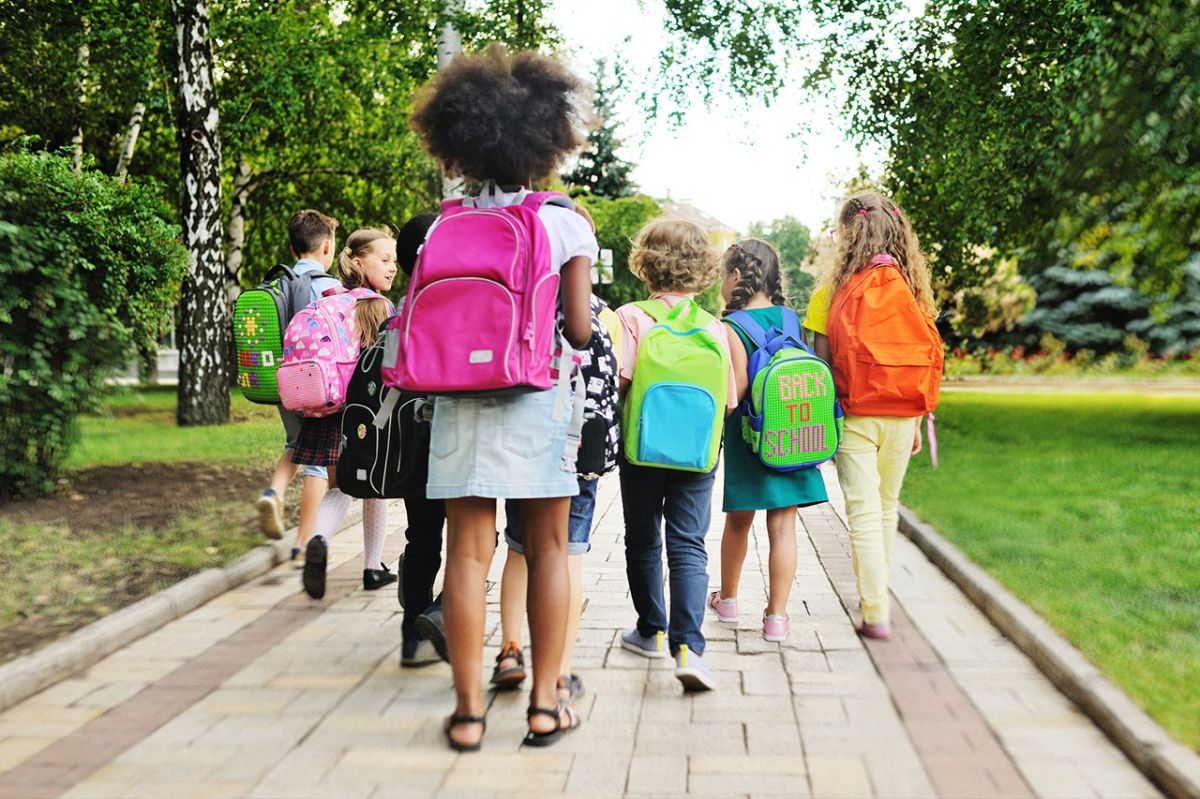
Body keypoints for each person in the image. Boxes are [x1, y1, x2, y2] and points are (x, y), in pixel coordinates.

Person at [408, 45, 596, 751]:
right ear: (546, 141)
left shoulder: (443, 223)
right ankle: (546, 705)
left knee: (467, 552)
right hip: (535, 395)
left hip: (458, 398)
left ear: (462, 143)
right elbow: (578, 330)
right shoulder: (563, 221)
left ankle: (466, 712)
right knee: (547, 548)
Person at [803, 191, 938, 641]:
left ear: (845, 236)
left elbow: (820, 367)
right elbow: (918, 356)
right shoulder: (913, 290)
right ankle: (875, 597)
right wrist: (916, 419)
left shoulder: (830, 294)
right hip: (903, 415)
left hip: (854, 415)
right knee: (886, 506)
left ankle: (875, 609)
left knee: (862, 511)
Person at [614, 218, 739, 691]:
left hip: (641, 451)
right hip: (696, 457)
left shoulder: (631, 318)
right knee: (688, 545)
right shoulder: (714, 329)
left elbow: (620, 384)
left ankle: (650, 629)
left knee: (643, 539)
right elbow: (727, 401)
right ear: (701, 269)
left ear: (646, 266)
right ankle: (689, 647)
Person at [493, 290, 621, 703]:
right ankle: (561, 672)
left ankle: (510, 651)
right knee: (568, 556)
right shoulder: (602, 313)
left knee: (518, 550)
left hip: (526, 445)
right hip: (582, 448)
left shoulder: (523, 302)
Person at [708, 239, 829, 643]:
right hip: (794, 431)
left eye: (724, 276)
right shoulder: (790, 319)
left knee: (738, 522)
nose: (721, 284)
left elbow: (738, 389)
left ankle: (728, 600)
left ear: (737, 277)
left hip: (751, 434)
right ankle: (776, 617)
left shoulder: (731, 327)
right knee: (783, 527)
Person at [297, 228, 399, 599]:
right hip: (365, 414)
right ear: (358, 261)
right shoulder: (377, 306)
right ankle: (373, 567)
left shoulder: (328, 300)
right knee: (375, 487)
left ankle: (318, 539)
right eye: (384, 260)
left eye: (394, 262)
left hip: (327, 407)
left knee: (341, 486)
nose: (392, 269)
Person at [256, 210, 341, 560]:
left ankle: (272, 494)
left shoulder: (276, 284)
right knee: (317, 462)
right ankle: (303, 544)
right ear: (326, 246)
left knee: (295, 443)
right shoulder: (330, 289)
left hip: (281, 380)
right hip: (317, 385)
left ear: (293, 249)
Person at [392, 213, 448, 669]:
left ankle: (414, 633)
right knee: (475, 538)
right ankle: (443, 610)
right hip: (459, 434)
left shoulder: (404, 308)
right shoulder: (461, 299)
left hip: (412, 439)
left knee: (421, 536)